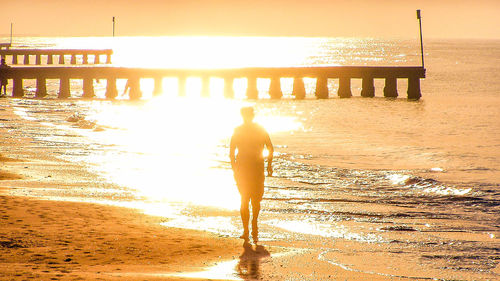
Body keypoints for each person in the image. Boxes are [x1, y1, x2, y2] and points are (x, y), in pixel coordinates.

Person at [230, 106, 273, 243]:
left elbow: (231, 152)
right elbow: (270, 148)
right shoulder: (259, 129)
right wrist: (269, 165)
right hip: (256, 168)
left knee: (246, 199)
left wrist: (234, 167)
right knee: (254, 199)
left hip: (244, 169)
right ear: (252, 116)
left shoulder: (238, 130)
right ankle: (252, 227)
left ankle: (248, 229)